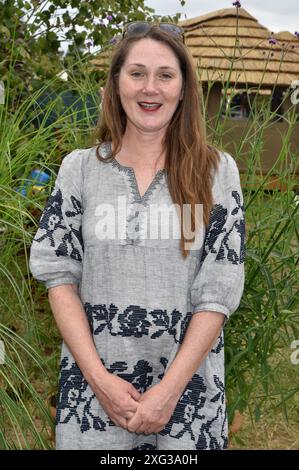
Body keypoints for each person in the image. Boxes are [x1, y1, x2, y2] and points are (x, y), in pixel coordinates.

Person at [29, 21, 245, 450]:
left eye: (165, 75)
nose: (151, 88)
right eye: (137, 73)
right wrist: (100, 380)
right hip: (95, 393)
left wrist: (168, 391)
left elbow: (218, 290)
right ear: (116, 84)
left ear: (183, 89)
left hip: (187, 396)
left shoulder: (216, 172)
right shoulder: (80, 169)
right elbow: (59, 276)